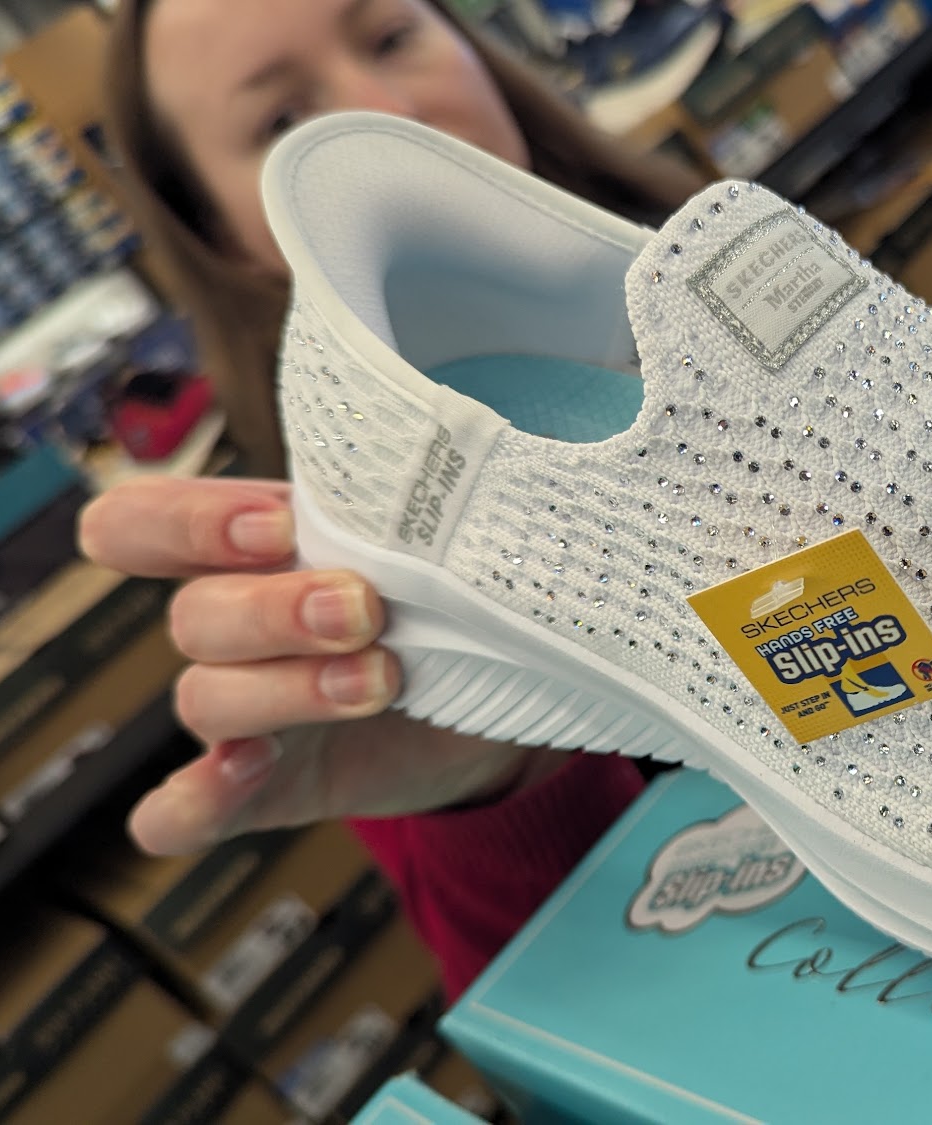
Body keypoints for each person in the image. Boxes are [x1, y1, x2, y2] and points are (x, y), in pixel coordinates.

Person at [78, 0, 702, 996]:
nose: (389, 116)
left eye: (390, 38)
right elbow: (590, 1023)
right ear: (224, 235)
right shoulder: (352, 598)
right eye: (282, 122)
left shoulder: (741, 271)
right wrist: (504, 778)